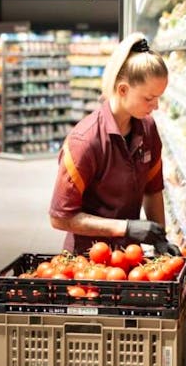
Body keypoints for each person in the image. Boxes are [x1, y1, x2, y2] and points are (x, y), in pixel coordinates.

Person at [49, 33, 179, 255]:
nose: (156, 106)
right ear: (123, 90)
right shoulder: (86, 141)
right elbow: (60, 217)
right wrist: (125, 227)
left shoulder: (147, 129)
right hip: (88, 259)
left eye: (159, 98)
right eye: (149, 98)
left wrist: (161, 241)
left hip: (129, 257)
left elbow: (152, 190)